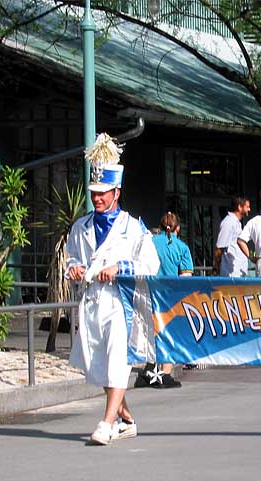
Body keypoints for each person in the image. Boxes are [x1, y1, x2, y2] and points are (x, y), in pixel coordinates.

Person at [66, 133, 160, 445]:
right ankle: (126, 418)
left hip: (121, 303)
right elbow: (70, 259)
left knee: (117, 359)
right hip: (91, 302)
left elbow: (150, 265)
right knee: (99, 365)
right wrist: (75, 269)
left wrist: (120, 269)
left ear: (116, 192)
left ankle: (106, 423)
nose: (98, 198)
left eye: (104, 193)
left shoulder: (133, 227)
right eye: (94, 192)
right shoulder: (80, 227)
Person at [135, 211, 193, 390]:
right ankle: (165, 374)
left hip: (150, 292)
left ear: (160, 227)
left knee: (150, 331)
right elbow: (186, 276)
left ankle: (150, 369)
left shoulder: (150, 243)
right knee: (169, 332)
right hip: (170, 296)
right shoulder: (181, 247)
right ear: (178, 228)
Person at [214, 196, 251, 277]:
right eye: (247, 207)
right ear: (239, 207)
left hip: (239, 272)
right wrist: (216, 267)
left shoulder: (237, 223)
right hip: (231, 274)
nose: (249, 209)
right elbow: (219, 247)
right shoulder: (229, 222)